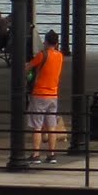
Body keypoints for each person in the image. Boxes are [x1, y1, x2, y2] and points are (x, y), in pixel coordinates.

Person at [26, 30, 64, 163]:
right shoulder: (60, 56)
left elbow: (28, 67)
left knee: (37, 126)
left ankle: (36, 155)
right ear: (57, 43)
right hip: (53, 95)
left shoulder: (42, 55)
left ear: (46, 42)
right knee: (51, 126)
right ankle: (52, 154)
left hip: (39, 94)